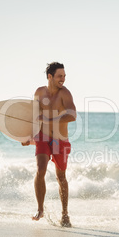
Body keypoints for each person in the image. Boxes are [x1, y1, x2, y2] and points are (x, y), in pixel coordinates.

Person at [22, 62, 76, 227]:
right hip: (43, 137)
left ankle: (65, 214)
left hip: (60, 139)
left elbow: (72, 115)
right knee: (41, 169)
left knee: (61, 177)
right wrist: (29, 136)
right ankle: (40, 209)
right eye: (60, 76)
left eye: (65, 76)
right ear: (50, 76)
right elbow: (34, 116)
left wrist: (50, 120)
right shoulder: (39, 92)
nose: (63, 79)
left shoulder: (65, 94)